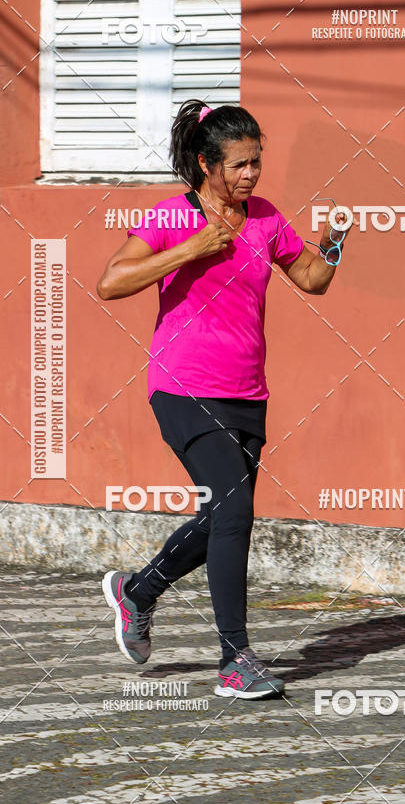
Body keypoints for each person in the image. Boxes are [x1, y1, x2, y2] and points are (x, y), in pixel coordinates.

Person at [96, 99, 350, 699]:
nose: (250, 175)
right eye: (238, 165)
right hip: (183, 388)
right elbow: (110, 283)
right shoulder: (172, 218)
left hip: (248, 395)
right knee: (235, 514)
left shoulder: (264, 218)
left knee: (220, 519)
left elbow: (313, 280)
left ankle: (138, 591)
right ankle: (236, 661)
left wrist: (333, 240)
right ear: (207, 165)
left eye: (256, 162)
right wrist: (191, 249)